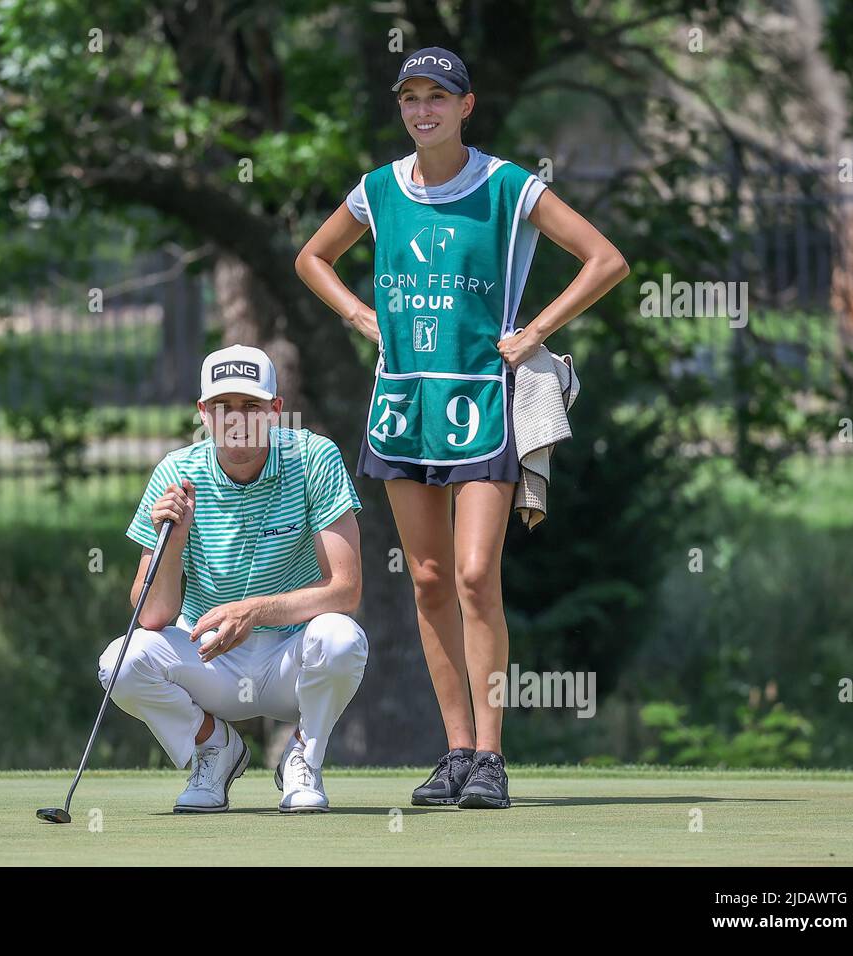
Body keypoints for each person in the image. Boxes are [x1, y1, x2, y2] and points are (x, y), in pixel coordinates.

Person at [295, 47, 629, 809]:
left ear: (466, 105)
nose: (422, 111)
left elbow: (604, 260)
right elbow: (312, 258)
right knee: (428, 579)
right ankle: (453, 753)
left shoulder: (508, 185)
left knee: (477, 575)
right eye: (410, 98)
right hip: (404, 405)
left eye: (437, 98)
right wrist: (358, 315)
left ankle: (491, 755)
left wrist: (535, 328)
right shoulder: (378, 190)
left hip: (483, 401)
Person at [98, 344, 368, 813]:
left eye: (251, 406)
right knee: (121, 661)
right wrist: (174, 541)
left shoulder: (313, 457)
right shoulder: (176, 473)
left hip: (292, 655)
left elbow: (346, 590)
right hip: (209, 658)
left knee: (343, 638)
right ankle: (215, 748)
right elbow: (152, 615)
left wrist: (257, 610)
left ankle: (304, 753)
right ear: (203, 413)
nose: (237, 420)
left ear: (276, 410)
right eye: (223, 407)